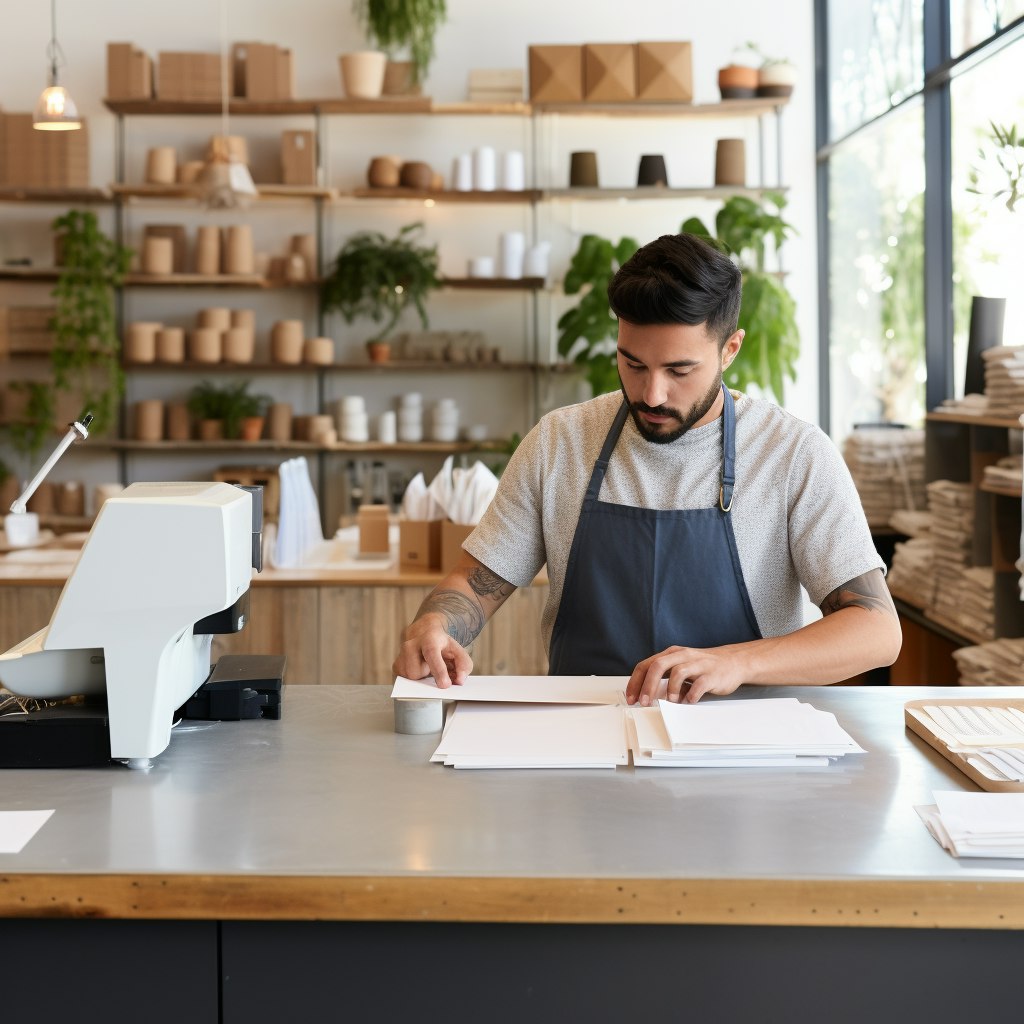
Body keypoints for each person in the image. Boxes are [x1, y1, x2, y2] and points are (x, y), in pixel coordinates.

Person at [392, 232, 902, 704]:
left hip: (745, 745)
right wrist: (435, 626)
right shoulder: (560, 442)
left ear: (730, 349)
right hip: (582, 737)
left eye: (679, 370)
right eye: (633, 364)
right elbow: (474, 584)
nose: (651, 394)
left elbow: (876, 628)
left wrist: (736, 661)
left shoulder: (793, 454)